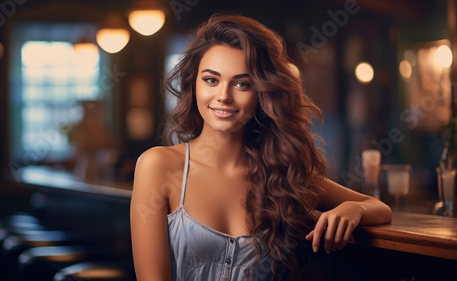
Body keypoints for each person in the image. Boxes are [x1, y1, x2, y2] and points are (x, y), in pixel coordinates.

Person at [130, 13, 392, 281]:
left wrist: (353, 209)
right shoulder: (158, 166)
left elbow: (380, 208)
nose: (223, 96)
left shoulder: (281, 172)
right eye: (211, 80)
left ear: (263, 92)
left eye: (242, 84)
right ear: (193, 85)